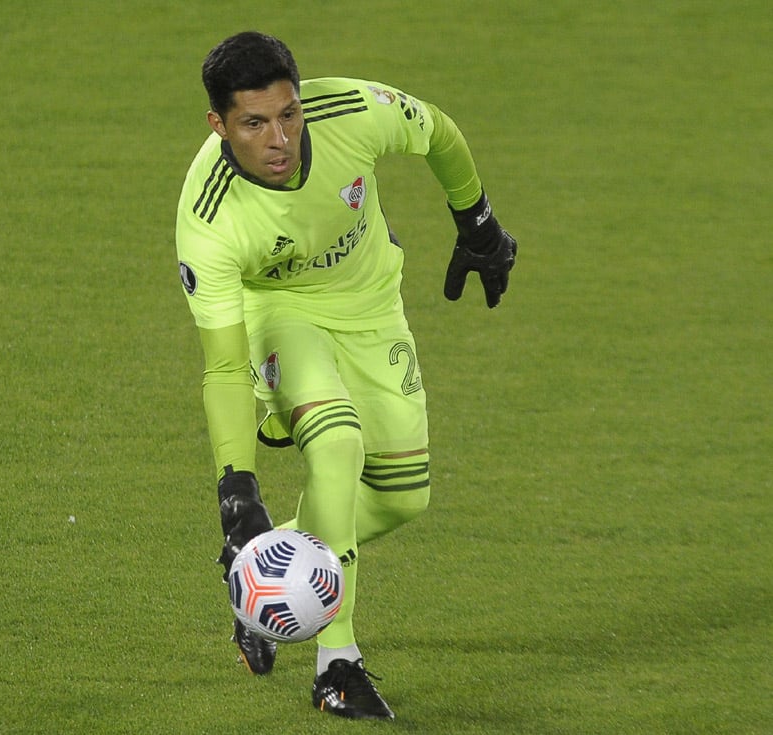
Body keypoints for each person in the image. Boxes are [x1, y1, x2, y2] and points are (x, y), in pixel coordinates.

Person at [174, 32, 516, 720]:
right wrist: (237, 489)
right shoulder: (208, 217)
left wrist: (474, 218)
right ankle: (338, 665)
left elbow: (437, 132)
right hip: (280, 316)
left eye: (288, 114)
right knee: (337, 448)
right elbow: (221, 367)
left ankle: (264, 586)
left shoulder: (349, 112)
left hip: (372, 308)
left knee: (401, 498)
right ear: (219, 125)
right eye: (254, 123)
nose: (280, 138)